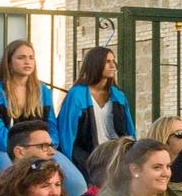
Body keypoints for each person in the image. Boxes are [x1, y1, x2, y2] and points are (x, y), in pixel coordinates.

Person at [0, 39, 87, 196]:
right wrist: (24, 149)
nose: (27, 61)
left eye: (31, 57)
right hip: (7, 150)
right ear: (9, 62)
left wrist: (46, 146)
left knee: (76, 183)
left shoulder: (43, 90)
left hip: (43, 147)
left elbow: (51, 126)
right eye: (21, 57)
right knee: (15, 183)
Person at [56, 46, 134, 175]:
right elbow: (67, 132)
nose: (112, 65)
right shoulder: (77, 95)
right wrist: (70, 163)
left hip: (116, 156)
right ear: (95, 64)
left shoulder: (119, 96)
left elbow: (129, 130)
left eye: (113, 61)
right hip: (86, 158)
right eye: (107, 61)